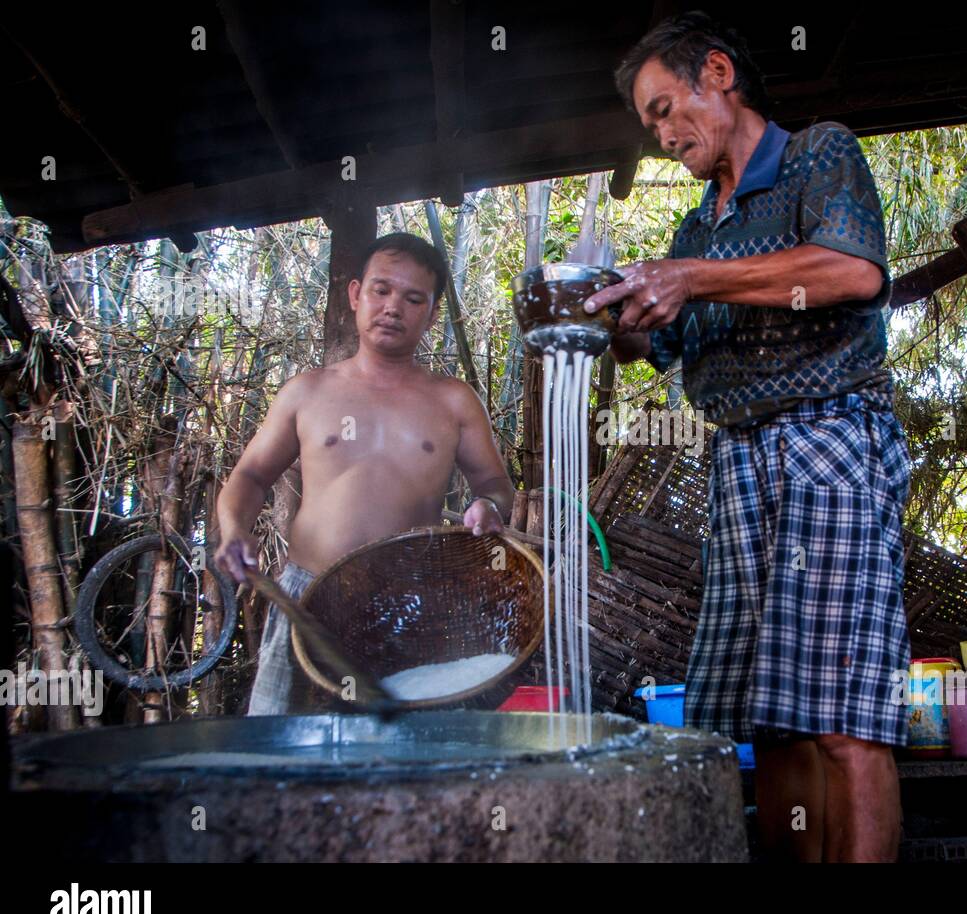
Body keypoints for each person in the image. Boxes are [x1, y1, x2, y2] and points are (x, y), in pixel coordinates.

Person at [588, 12, 911, 862]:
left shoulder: (816, 156)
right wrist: (608, 315)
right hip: (738, 463)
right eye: (649, 122)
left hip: (828, 445)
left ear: (718, 74)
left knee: (841, 718)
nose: (660, 136)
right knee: (769, 720)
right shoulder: (697, 229)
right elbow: (652, 349)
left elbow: (853, 270)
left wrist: (688, 278)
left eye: (664, 109)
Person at [213, 232, 513, 715]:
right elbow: (248, 477)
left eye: (413, 298)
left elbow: (495, 486)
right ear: (355, 295)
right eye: (381, 290)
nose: (393, 307)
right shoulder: (306, 393)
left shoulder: (453, 400)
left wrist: (490, 507)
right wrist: (233, 531)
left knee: (403, 760)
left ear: (432, 314)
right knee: (284, 756)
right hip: (307, 597)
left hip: (411, 603)